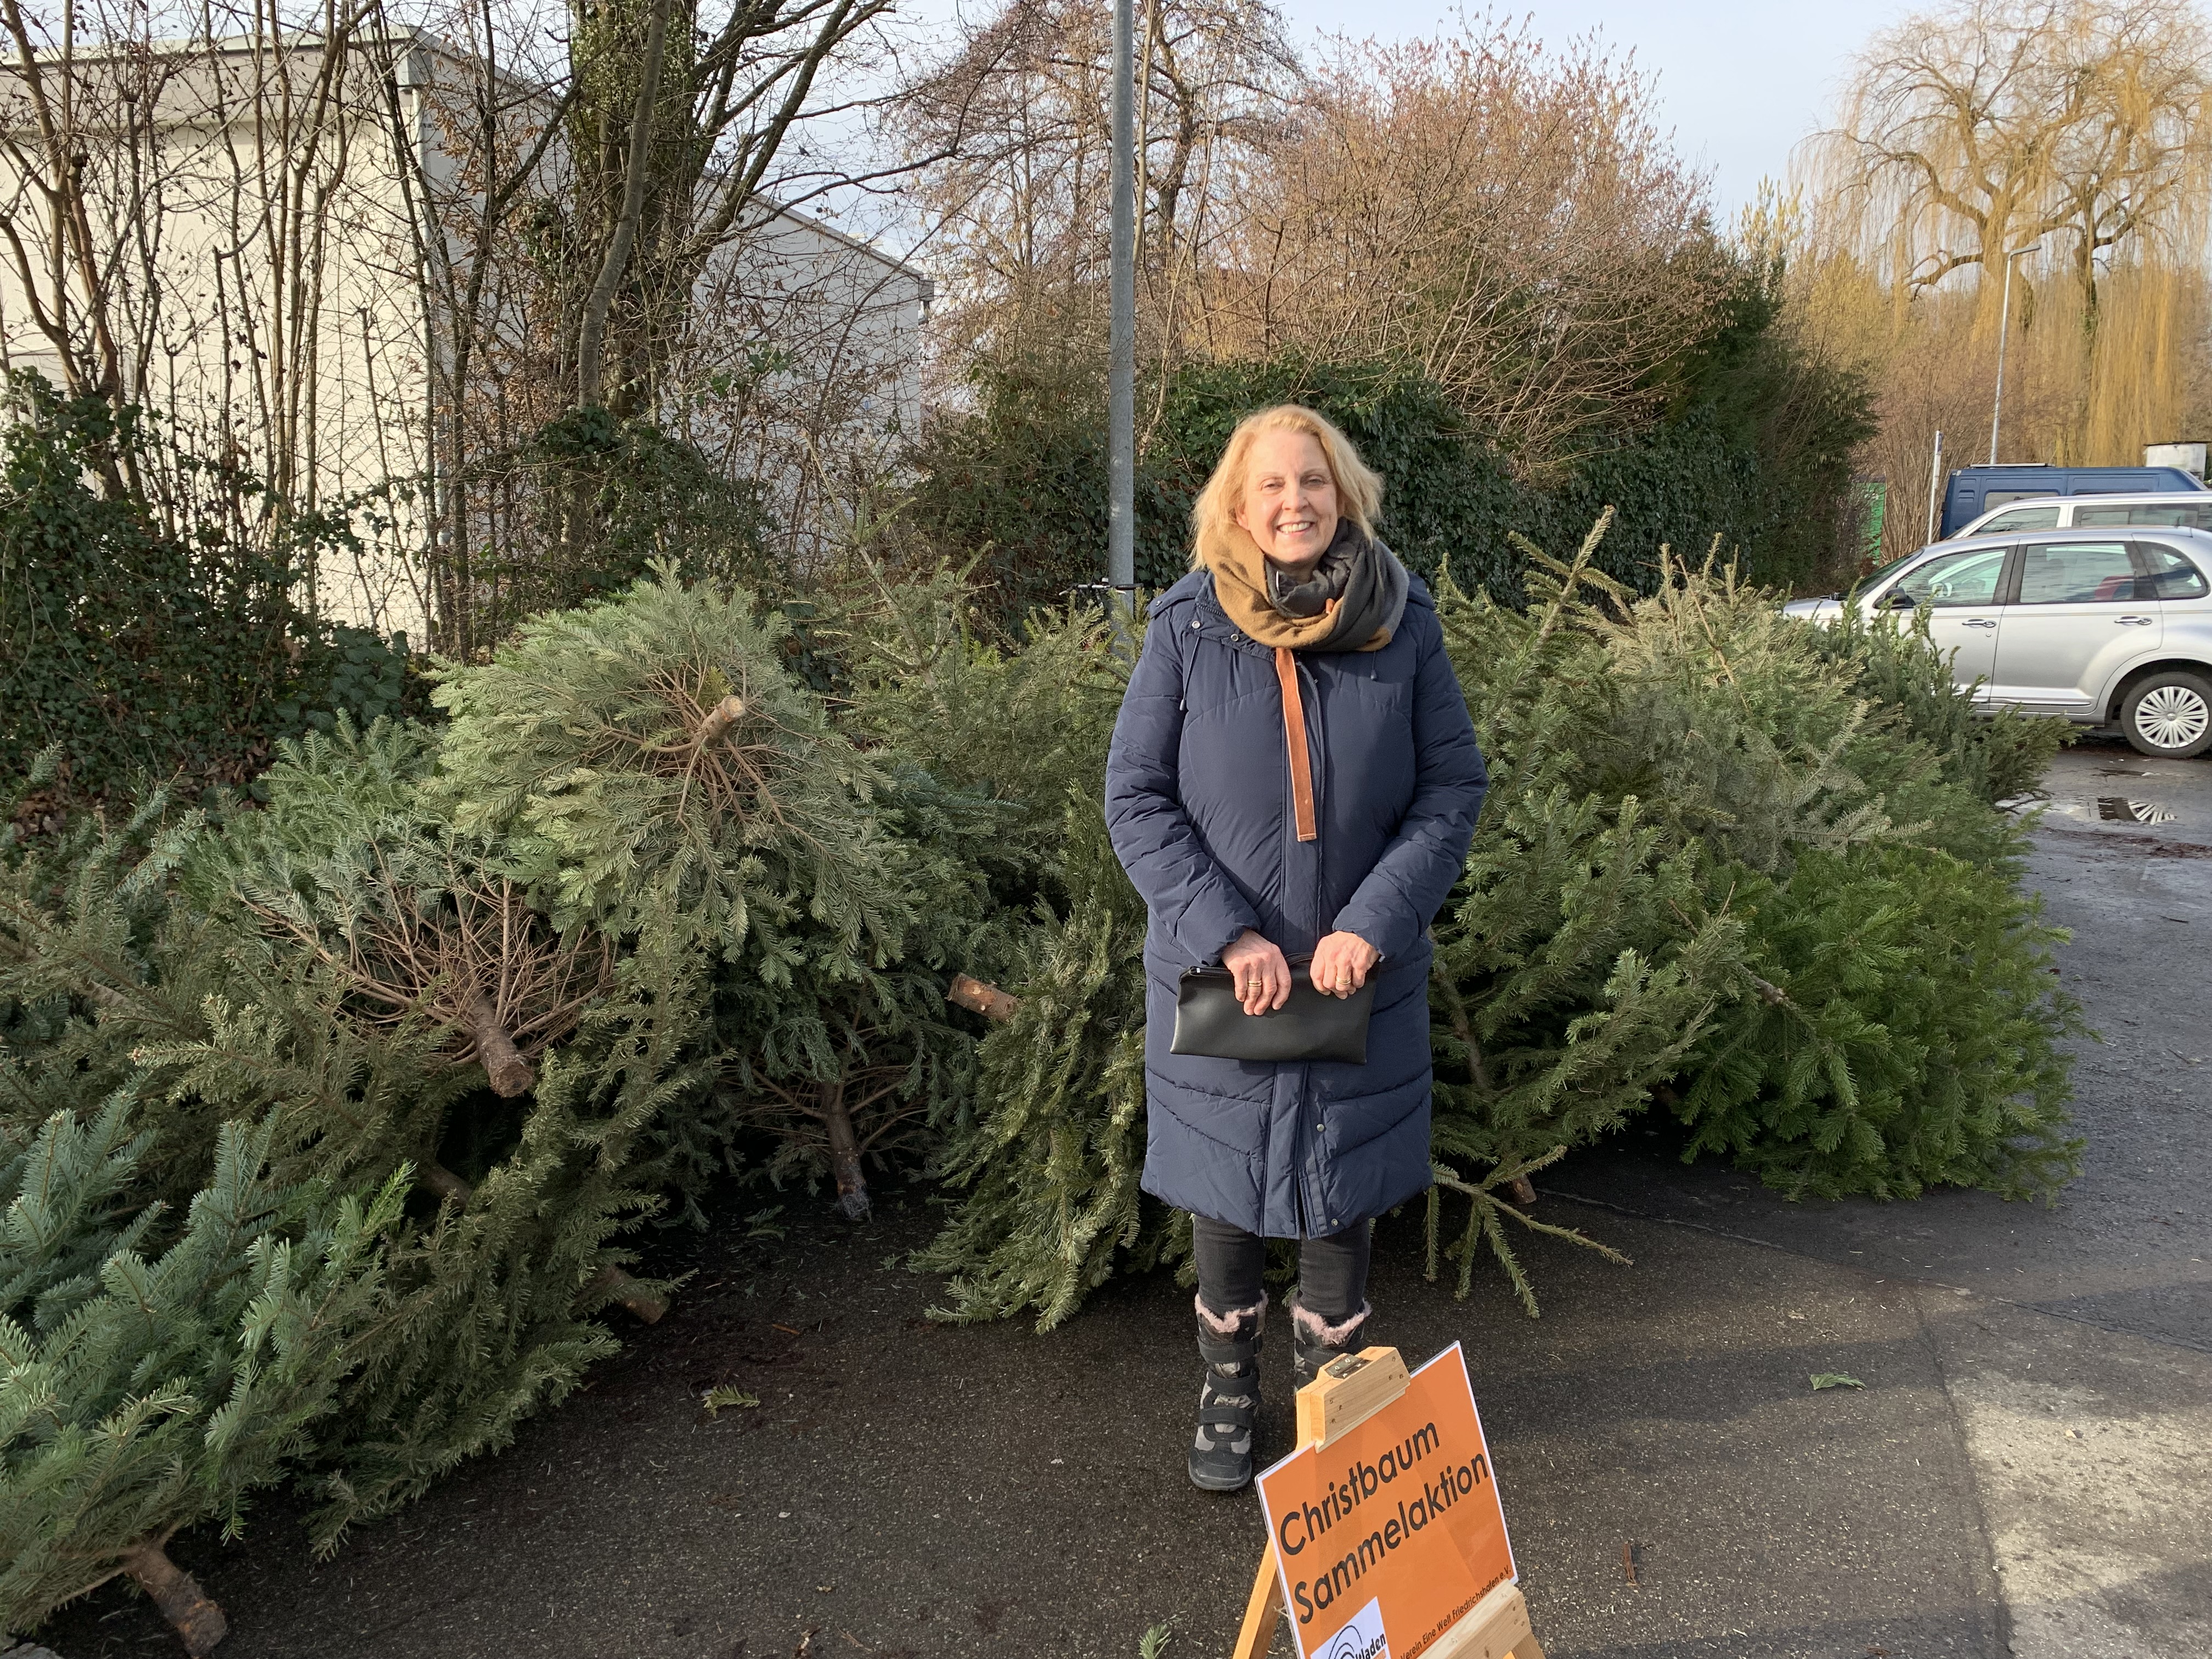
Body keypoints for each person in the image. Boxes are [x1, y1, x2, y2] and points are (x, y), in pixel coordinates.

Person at [1105, 404, 1489, 1493]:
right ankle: (1229, 1391)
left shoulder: (1404, 624)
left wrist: (1375, 921)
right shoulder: (1186, 627)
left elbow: (1451, 787)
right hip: (1222, 969)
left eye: (1312, 482)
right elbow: (1134, 795)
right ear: (1236, 504)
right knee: (1224, 1186)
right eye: (1270, 485)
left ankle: (1335, 1398)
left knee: (1340, 1183)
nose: (1293, 503)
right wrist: (1221, 930)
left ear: (1345, 493)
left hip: (1359, 972)